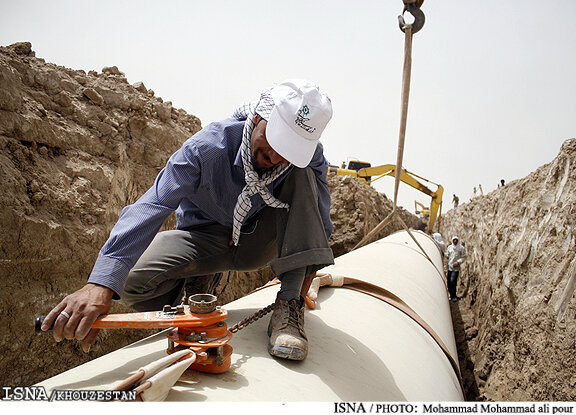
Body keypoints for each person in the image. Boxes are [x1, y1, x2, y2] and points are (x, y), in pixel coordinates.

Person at [40, 79, 335, 361]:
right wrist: (100, 284)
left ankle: (288, 305)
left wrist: (303, 272)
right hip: (204, 240)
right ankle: (197, 284)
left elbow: (316, 218)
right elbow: (152, 204)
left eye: (288, 150)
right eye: (273, 139)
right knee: (129, 280)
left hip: (259, 242)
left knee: (303, 173)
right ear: (257, 117)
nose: (275, 155)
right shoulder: (207, 148)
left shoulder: (306, 160)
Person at [446, 235, 467, 301]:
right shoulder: (450, 247)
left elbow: (464, 257)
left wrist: (458, 262)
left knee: (453, 281)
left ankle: (454, 296)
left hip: (456, 268)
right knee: (449, 282)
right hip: (449, 267)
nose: (455, 241)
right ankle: (451, 295)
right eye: (454, 240)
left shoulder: (461, 248)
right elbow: (447, 255)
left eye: (456, 240)